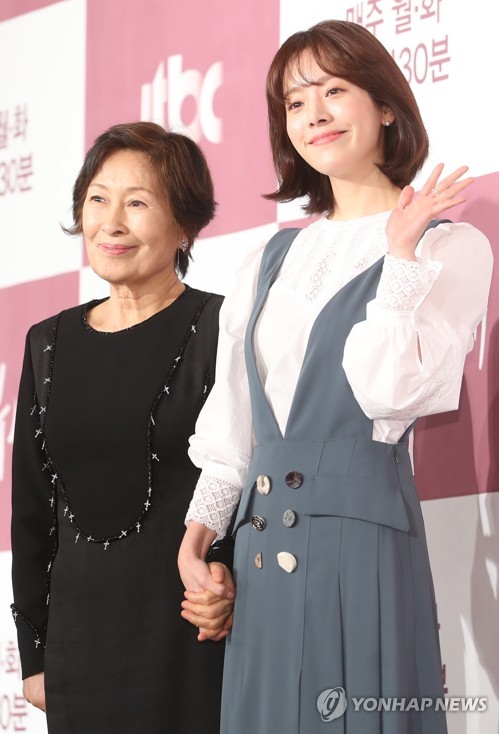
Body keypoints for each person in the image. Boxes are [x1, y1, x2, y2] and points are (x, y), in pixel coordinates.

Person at [178, 20, 493, 733]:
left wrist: (400, 260)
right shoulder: (266, 258)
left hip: (360, 543)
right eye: (294, 102)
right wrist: (196, 541)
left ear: (385, 106)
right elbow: (234, 426)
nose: (313, 114)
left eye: (333, 91)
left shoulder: (449, 246)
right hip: (261, 550)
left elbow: (390, 395)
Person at [11, 121, 234, 734]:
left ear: (184, 225)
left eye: (137, 203)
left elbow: (248, 475)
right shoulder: (47, 343)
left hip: (193, 631)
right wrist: (35, 652)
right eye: (97, 199)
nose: (111, 223)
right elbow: (32, 510)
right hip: (79, 646)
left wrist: (228, 584)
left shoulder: (223, 326)